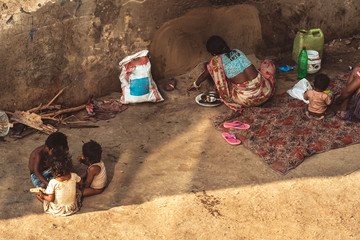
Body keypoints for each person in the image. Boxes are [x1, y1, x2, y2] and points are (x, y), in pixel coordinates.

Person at [187, 35, 276, 114]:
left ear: (213, 53)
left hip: (248, 99)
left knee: (224, 82)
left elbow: (204, 75)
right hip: (265, 92)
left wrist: (195, 84)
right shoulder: (237, 51)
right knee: (267, 66)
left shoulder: (216, 61)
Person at [36, 151, 82, 216]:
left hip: (58, 210)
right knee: (78, 192)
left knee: (38, 196)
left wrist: (42, 195)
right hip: (72, 207)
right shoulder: (74, 175)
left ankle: (47, 205)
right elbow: (81, 182)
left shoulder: (53, 182)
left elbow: (50, 199)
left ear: (52, 170)